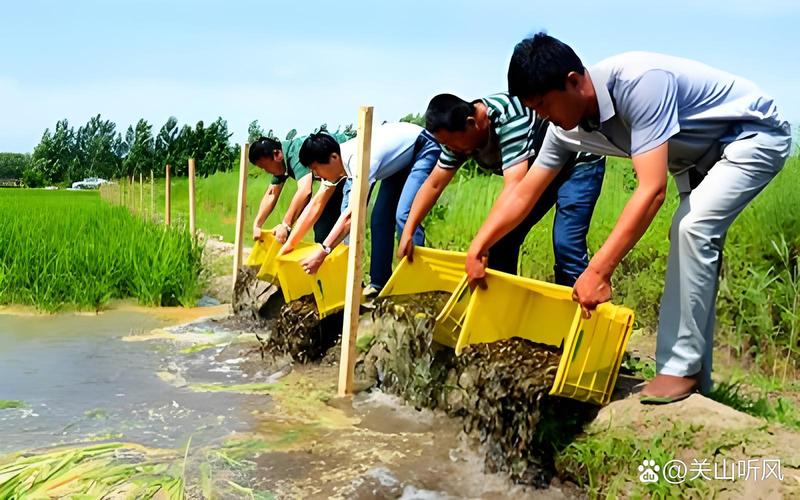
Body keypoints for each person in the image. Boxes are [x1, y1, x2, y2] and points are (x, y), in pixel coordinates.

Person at [465, 33, 792, 403]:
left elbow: (651, 189)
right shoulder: (563, 130)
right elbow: (525, 191)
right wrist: (480, 246)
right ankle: (696, 373)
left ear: (574, 81)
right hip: (696, 159)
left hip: (750, 135)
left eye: (543, 105)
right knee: (692, 238)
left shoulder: (640, 82)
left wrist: (598, 271)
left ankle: (679, 370)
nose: (542, 117)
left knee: (691, 228)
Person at [397, 92, 605, 285]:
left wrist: (479, 245)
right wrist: (408, 230)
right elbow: (434, 183)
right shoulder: (457, 137)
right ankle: (502, 314)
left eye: (452, 144)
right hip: (540, 172)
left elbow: (514, 188)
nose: (452, 150)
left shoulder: (509, 116)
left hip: (578, 162)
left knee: (566, 243)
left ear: (472, 123)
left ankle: (581, 315)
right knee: (500, 242)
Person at [279, 122, 441, 295]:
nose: (317, 175)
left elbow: (351, 216)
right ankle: (379, 284)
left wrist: (323, 251)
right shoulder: (338, 158)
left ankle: (417, 290)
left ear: (333, 158)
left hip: (422, 147)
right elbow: (316, 205)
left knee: (405, 215)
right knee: (379, 219)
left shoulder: (359, 161)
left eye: (316, 169)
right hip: (400, 160)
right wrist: (289, 246)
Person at [248, 133, 347, 244]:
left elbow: (305, 191)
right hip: (334, 178)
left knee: (339, 224)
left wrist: (286, 225)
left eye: (264, 167)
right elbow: (272, 193)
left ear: (277, 154)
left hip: (351, 168)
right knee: (322, 231)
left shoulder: (296, 154)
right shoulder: (280, 162)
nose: (266, 171)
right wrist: (257, 224)